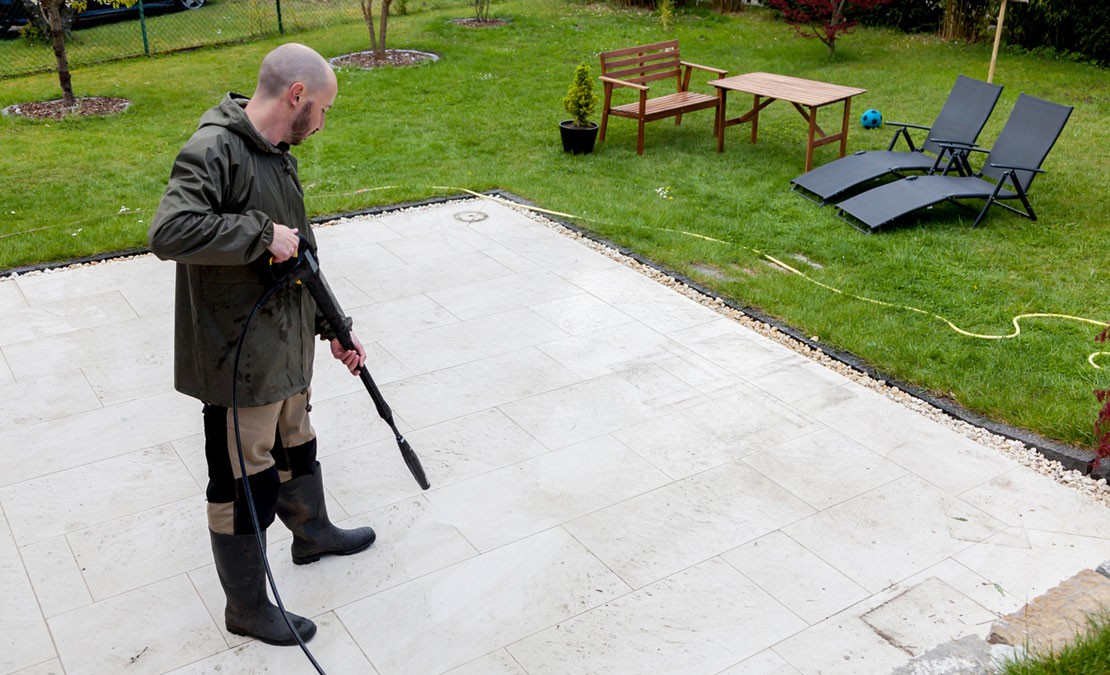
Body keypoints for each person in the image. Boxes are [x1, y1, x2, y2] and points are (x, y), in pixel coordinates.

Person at [148, 42, 375, 647]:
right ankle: (246, 607)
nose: (323, 123)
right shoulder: (213, 149)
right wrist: (258, 233)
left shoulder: (277, 151)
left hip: (287, 346)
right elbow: (169, 230)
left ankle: (313, 533)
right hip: (236, 359)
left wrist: (334, 327)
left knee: (295, 445)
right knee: (244, 480)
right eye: (323, 108)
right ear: (296, 96)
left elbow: (299, 250)